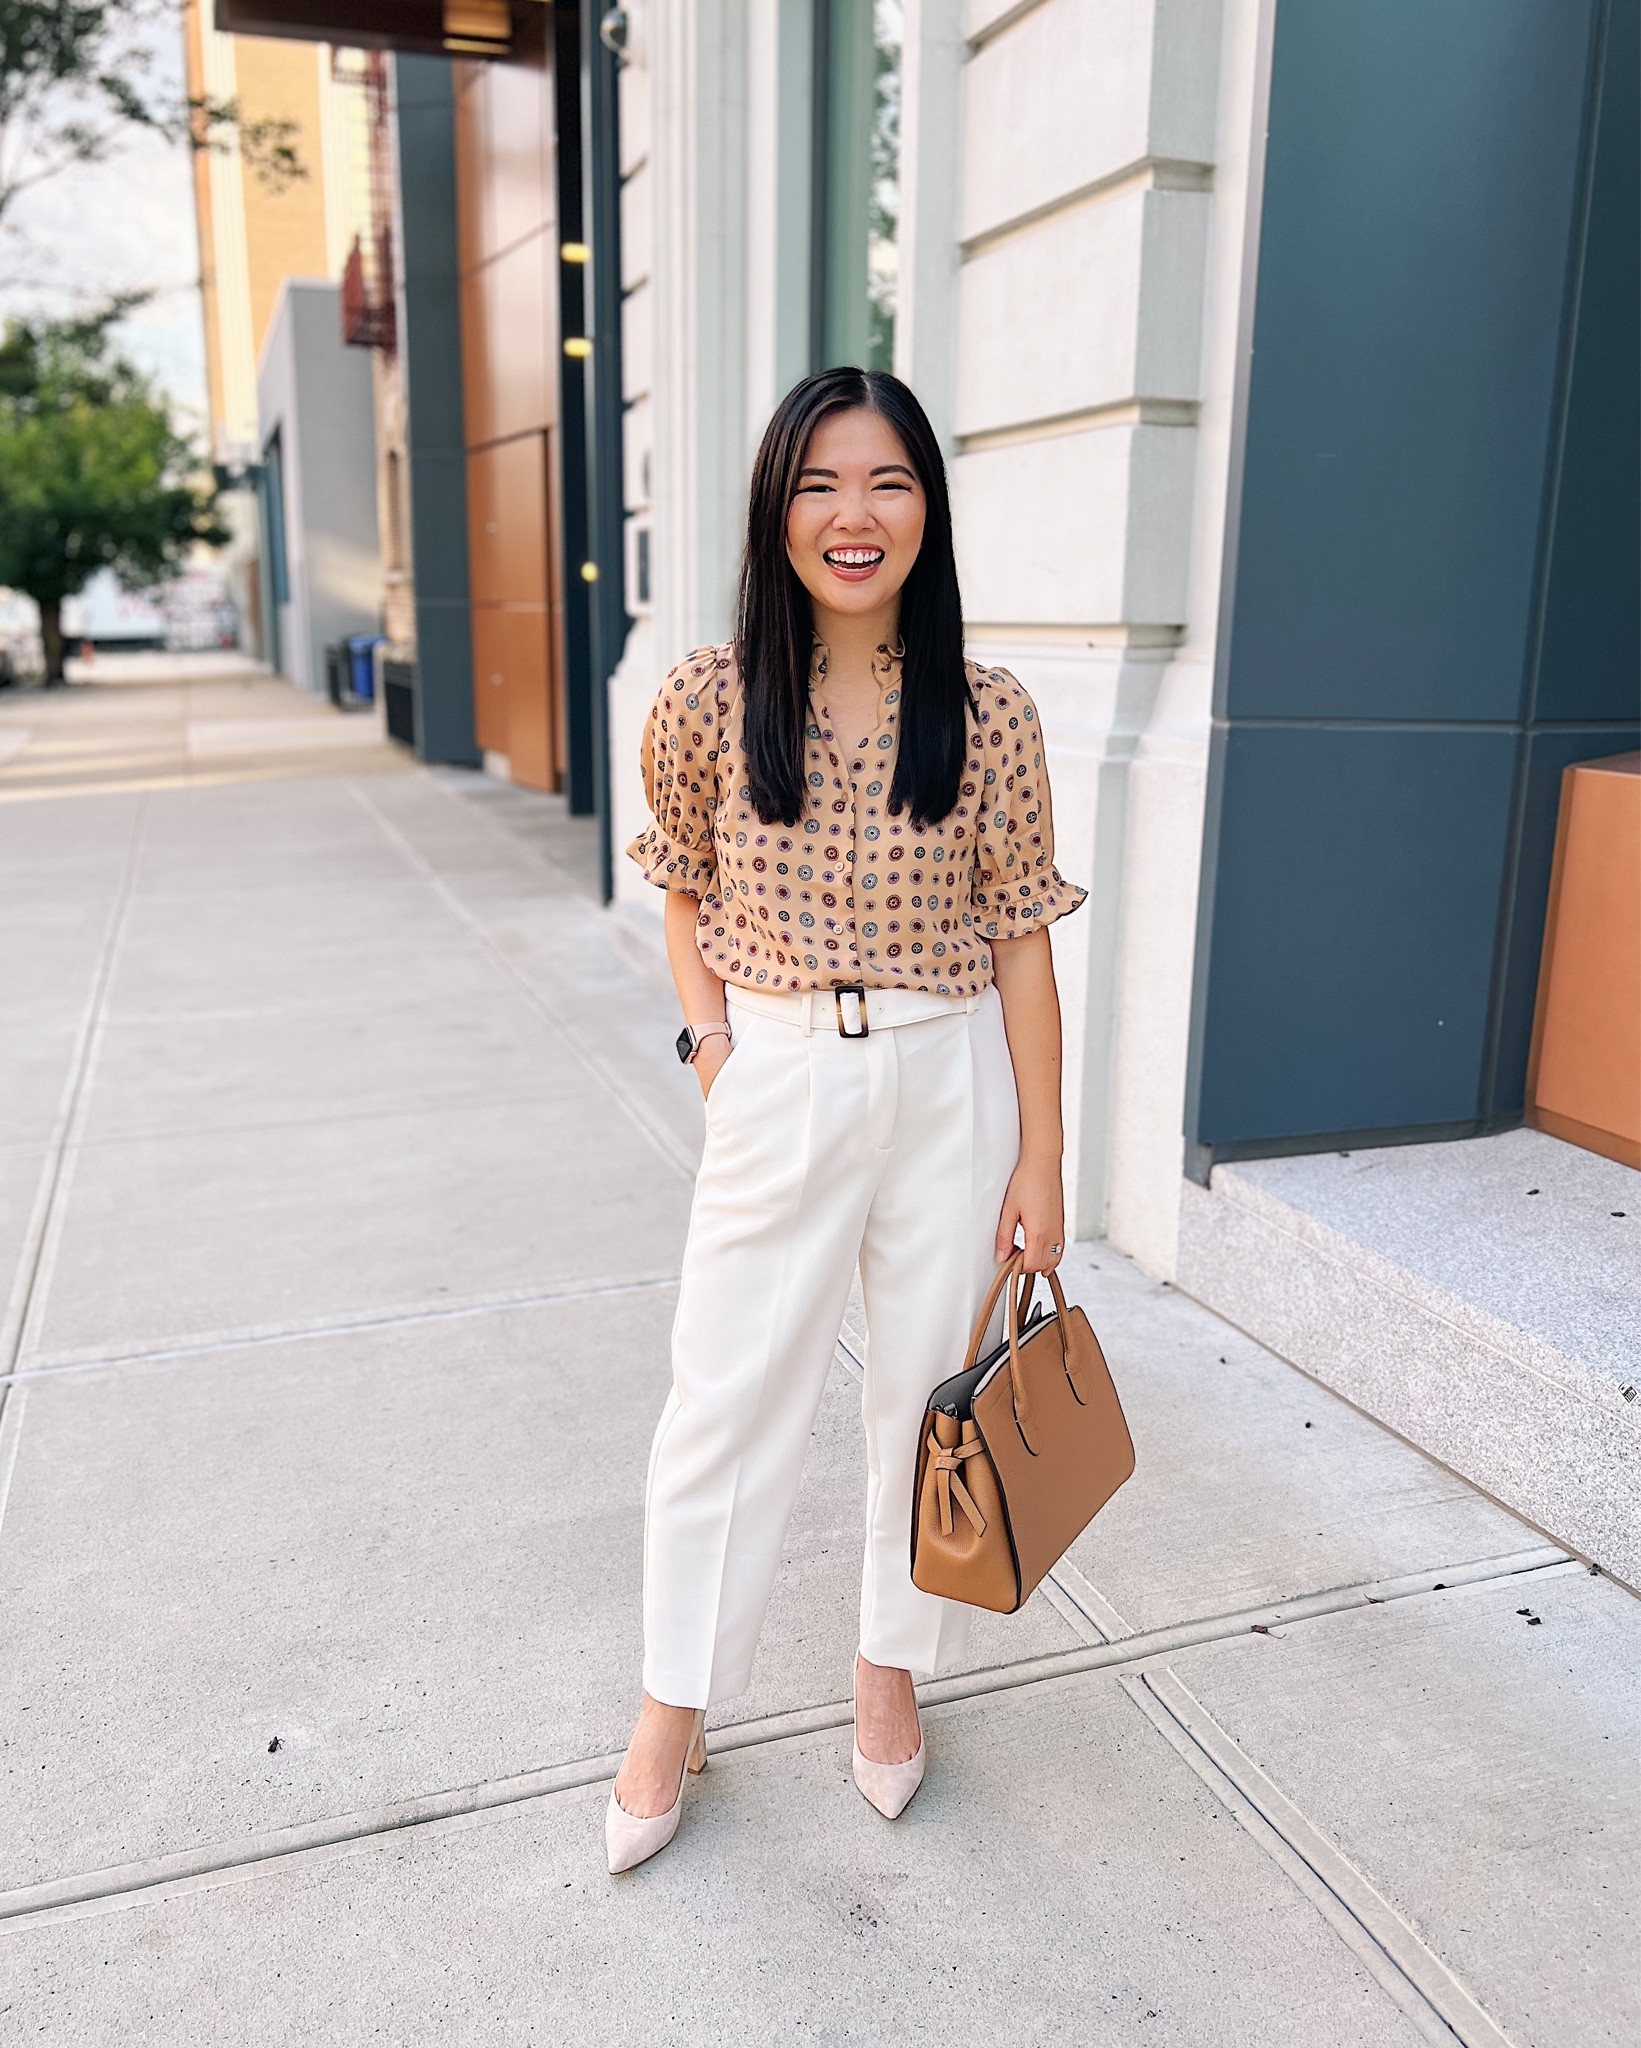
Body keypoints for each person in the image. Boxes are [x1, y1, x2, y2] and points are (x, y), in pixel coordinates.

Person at [608, 367, 1085, 1873]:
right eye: (819, 484)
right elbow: (682, 885)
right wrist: (715, 1052)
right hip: (782, 1069)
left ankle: (890, 1670)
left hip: (948, 1077)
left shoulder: (988, 714)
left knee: (926, 1406)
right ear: (778, 510)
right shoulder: (708, 695)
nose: (853, 515)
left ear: (926, 508)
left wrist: (1042, 1154)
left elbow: (1023, 943)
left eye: (886, 482)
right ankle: (674, 1701)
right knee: (723, 1399)